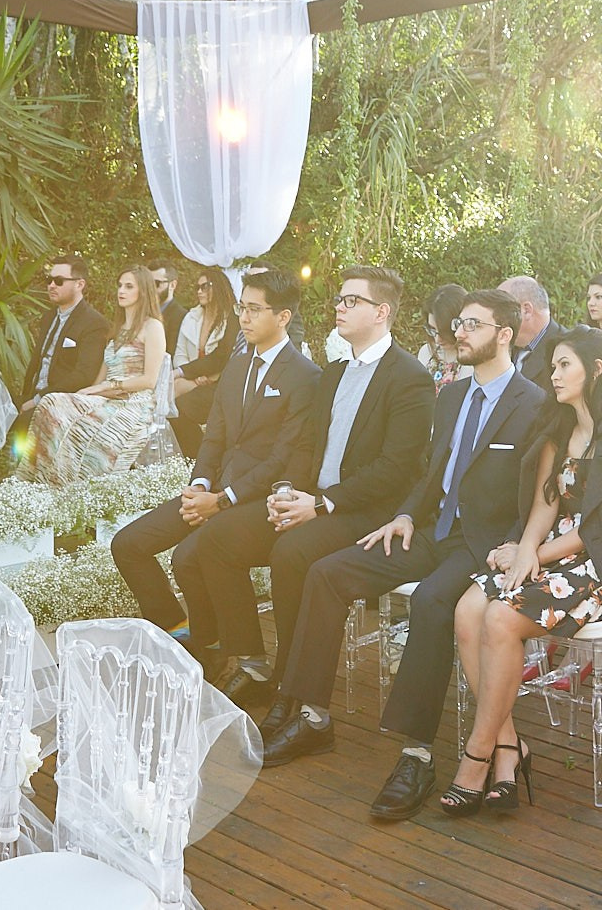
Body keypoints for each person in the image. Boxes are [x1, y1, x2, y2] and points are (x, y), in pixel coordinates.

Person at [259, 291, 546, 806]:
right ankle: (312, 715)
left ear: (504, 335)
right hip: (430, 529)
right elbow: (432, 471)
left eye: (474, 326)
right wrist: (407, 514)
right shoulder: (452, 396)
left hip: (481, 546)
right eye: (459, 323)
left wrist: (515, 543)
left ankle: (417, 756)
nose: (460, 333)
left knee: (431, 601)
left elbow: (540, 489)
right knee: (327, 573)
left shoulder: (534, 404)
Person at [446, 328, 602, 815]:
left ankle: (477, 756)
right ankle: (509, 748)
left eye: (564, 366)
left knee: (500, 619)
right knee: (468, 609)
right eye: (552, 366)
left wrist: (539, 555)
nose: (552, 375)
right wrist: (525, 546)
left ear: (595, 370)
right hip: (552, 548)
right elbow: (543, 504)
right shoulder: (558, 428)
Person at [187, 265, 434, 709]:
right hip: (313, 500)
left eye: (350, 300)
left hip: (367, 511)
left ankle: (291, 684)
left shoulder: (409, 377)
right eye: (339, 299)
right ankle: (252, 662)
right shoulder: (335, 372)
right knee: (218, 537)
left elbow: (394, 470)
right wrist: (288, 493)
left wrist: (320, 505)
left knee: (293, 552)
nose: (338, 306)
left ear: (381, 312)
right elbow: (307, 447)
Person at [114, 269, 321, 647]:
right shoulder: (237, 365)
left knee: (188, 556)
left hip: (256, 499)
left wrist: (223, 500)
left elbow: (282, 459)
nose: (243, 317)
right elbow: (216, 438)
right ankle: (182, 631)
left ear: (283, 317)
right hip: (213, 490)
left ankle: (228, 652)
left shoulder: (306, 376)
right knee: (127, 545)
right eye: (242, 308)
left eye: (255, 309)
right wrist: (199, 486)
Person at [27, 265, 167, 485]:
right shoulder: (118, 328)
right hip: (108, 397)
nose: (121, 291)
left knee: (56, 403)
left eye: (129, 286)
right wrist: (90, 394)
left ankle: (64, 482)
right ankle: (46, 478)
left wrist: (106, 388)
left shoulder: (153, 327)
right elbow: (99, 380)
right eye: (120, 285)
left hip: (135, 403)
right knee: (51, 403)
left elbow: (149, 380)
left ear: (144, 291)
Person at [15, 254, 109, 417]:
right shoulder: (49, 317)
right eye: (49, 280)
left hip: (61, 406)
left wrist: (38, 400)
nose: (51, 285)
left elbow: (83, 375)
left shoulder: (95, 324)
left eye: (59, 281)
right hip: (31, 397)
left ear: (80, 284)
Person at [168, 268, 240, 463]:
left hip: (221, 383)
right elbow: (180, 352)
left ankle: (200, 459)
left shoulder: (233, 317)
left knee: (180, 407)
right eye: (197, 287)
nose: (199, 291)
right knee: (168, 403)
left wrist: (186, 373)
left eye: (204, 287)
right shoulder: (192, 317)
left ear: (218, 287)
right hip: (195, 379)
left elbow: (223, 355)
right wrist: (189, 376)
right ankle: (187, 459)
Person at [499, 275, 567, 392]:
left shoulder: (568, 351)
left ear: (526, 311)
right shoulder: (502, 348)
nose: (494, 318)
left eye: (499, 310)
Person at [414, 283, 468, 392]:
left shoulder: (474, 359)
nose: (437, 340)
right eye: (433, 330)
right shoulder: (426, 352)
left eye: (444, 332)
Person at [152, 259, 190, 350]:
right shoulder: (140, 311)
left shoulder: (181, 316)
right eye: (148, 283)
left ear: (173, 285)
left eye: (156, 283)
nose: (151, 288)